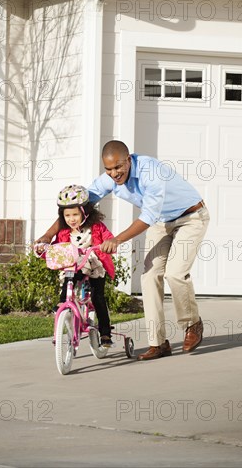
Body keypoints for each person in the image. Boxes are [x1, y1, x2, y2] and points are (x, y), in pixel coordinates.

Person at [37, 141, 210, 361]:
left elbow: (148, 216)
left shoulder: (150, 172)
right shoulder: (108, 178)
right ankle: (158, 344)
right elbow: (77, 205)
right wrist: (48, 235)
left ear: (128, 160)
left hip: (191, 217)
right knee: (149, 277)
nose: (114, 173)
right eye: (109, 169)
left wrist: (116, 240)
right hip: (162, 222)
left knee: (175, 273)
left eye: (118, 167)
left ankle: (192, 324)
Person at [38, 185, 115, 347]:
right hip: (74, 267)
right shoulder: (64, 232)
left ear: (85, 212)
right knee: (69, 275)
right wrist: (43, 248)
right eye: (67, 215)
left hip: (94, 266)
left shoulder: (96, 227)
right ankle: (63, 302)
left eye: (75, 214)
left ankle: (106, 333)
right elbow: (57, 249)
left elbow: (108, 237)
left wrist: (109, 243)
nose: (71, 219)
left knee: (98, 297)